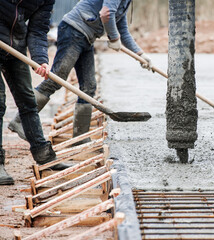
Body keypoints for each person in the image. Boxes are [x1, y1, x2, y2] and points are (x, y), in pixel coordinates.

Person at [8, 0, 153, 145]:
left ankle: (80, 138)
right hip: (73, 30)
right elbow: (106, 13)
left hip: (86, 36)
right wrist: (113, 38)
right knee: (55, 79)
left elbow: (122, 29)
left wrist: (141, 55)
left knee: (89, 87)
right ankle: (19, 121)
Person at [0, 0, 69, 185]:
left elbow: (38, 30)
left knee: (28, 101)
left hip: (15, 49)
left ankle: (44, 156)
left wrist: (40, 59)